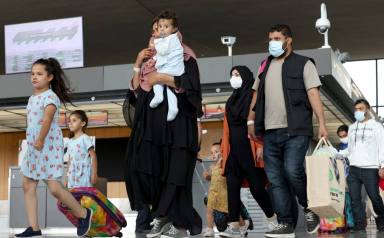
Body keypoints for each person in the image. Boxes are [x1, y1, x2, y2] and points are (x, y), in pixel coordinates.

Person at [125, 10, 203, 238]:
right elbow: (137, 89)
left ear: (174, 29)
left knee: (175, 171)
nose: (159, 31)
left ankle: (166, 218)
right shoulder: (150, 57)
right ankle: (163, 216)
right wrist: (139, 62)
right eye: (156, 28)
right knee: (150, 170)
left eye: (163, 27)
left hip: (177, 125)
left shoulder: (185, 54)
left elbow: (192, 85)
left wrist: (162, 78)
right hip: (151, 127)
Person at [248, 24, 328, 238]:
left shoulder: (304, 64)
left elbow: (313, 94)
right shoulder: (264, 65)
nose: (272, 42)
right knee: (275, 180)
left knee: (293, 170)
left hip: (296, 130)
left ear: (289, 40)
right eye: (270, 39)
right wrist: (250, 121)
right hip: (269, 132)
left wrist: (321, 123)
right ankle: (285, 223)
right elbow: (255, 95)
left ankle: (308, 207)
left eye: (276, 38)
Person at [16, 58, 93, 237]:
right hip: (34, 146)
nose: (34, 77)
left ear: (50, 77)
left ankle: (83, 214)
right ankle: (34, 228)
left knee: (54, 188)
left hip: (48, 145)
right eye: (32, 74)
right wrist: (32, 141)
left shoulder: (50, 97)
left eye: (39, 74)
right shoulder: (32, 98)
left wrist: (41, 139)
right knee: (28, 184)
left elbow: (47, 119)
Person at [220, 66, 276, 238]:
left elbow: (260, 122)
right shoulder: (231, 100)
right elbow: (226, 129)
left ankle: (272, 217)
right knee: (232, 186)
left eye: (237, 75)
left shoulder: (253, 97)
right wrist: (224, 152)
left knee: (257, 188)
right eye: (232, 75)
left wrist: (260, 145)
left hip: (250, 148)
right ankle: (233, 225)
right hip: (233, 151)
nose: (234, 78)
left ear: (245, 77)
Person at [345, 99, 384, 233]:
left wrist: (382, 165)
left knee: (375, 197)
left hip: (371, 168)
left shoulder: (376, 126)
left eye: (361, 109)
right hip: (354, 168)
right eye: (356, 109)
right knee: (355, 199)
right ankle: (360, 225)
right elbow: (349, 150)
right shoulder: (351, 128)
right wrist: (337, 153)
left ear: (367, 110)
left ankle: (381, 221)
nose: (358, 111)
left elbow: (382, 146)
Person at [202, 143, 252, 237]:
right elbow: (211, 178)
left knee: (232, 212)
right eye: (212, 152)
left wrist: (223, 158)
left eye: (216, 152)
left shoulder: (223, 162)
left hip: (224, 192)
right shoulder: (212, 167)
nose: (213, 154)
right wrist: (207, 176)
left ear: (222, 152)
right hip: (213, 193)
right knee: (209, 211)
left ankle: (243, 225)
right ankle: (210, 229)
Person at [149, 10, 185, 121]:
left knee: (157, 79)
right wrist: (153, 59)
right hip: (170, 67)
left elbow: (163, 51)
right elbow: (161, 54)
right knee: (170, 87)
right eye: (160, 26)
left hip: (172, 68)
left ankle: (159, 96)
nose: (162, 29)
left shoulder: (172, 38)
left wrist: (157, 39)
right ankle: (173, 107)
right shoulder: (166, 39)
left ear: (174, 29)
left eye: (166, 26)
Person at [65, 110, 98, 189]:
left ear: (83, 123)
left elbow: (93, 156)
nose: (70, 123)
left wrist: (94, 173)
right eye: (69, 121)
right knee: (73, 197)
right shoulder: (69, 141)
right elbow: (70, 160)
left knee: (85, 197)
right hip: (72, 173)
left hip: (84, 172)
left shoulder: (85, 138)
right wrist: (67, 177)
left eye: (74, 120)